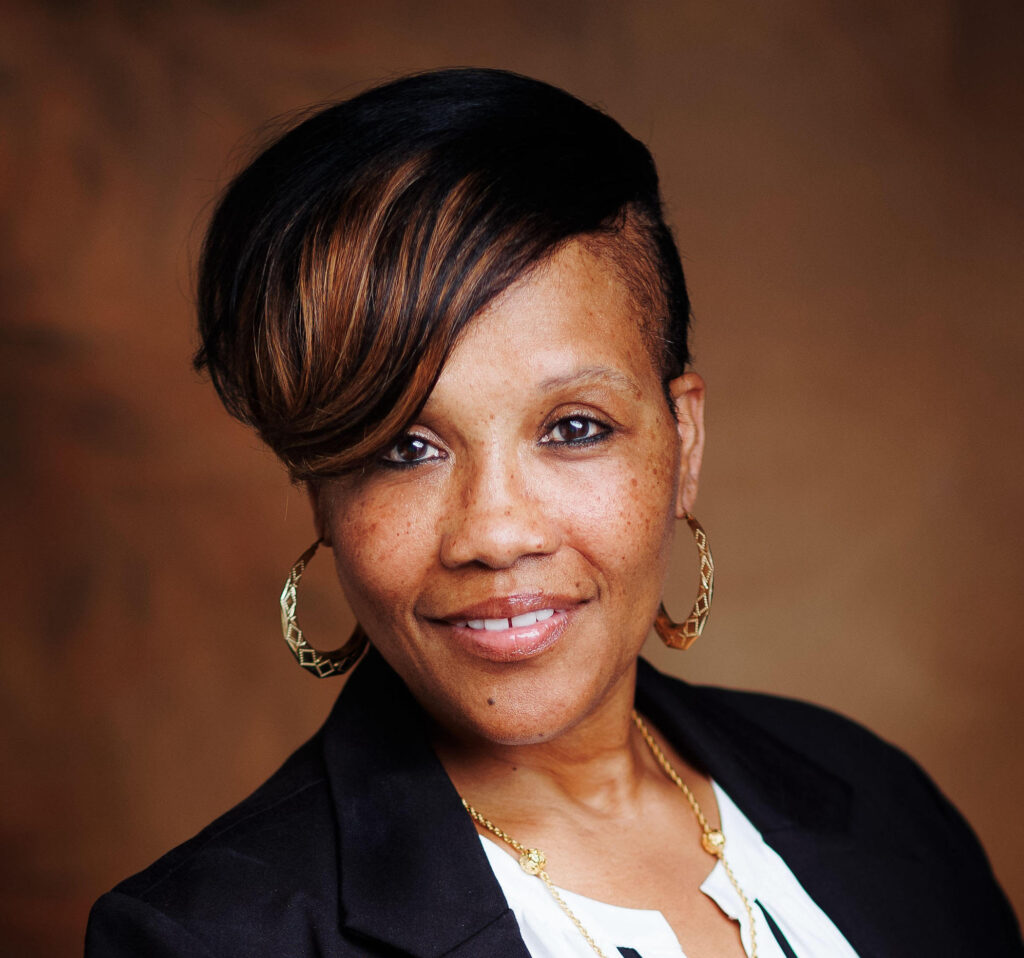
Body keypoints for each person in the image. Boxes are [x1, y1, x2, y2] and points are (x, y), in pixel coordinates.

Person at [85, 68, 1022, 958]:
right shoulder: (209, 937)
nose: (496, 534)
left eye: (575, 428)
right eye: (403, 448)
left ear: (683, 444)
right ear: (321, 493)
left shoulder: (878, 798)